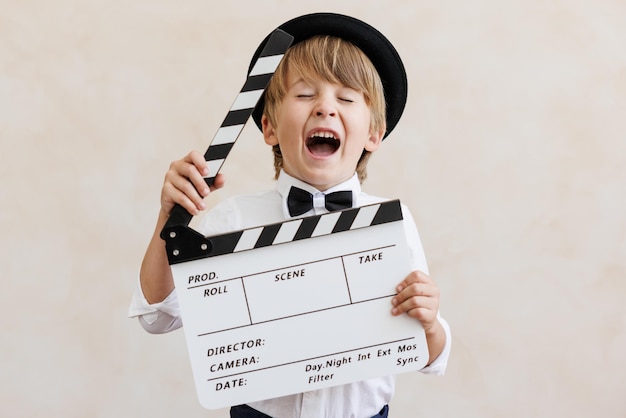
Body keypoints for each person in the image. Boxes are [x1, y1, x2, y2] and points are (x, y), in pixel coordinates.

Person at [129, 12, 451, 418]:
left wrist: (429, 321)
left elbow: (431, 358)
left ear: (374, 132)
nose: (325, 109)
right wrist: (169, 217)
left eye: (347, 98)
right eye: (304, 94)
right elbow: (158, 316)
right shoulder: (231, 222)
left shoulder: (394, 223)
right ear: (268, 126)